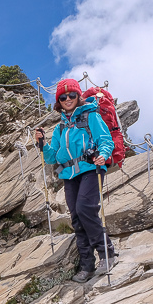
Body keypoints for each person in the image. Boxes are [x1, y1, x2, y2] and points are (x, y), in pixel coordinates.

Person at [35, 78, 118, 283]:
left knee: (85, 209)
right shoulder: (60, 128)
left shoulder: (91, 116)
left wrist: (104, 154)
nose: (68, 99)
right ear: (59, 102)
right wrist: (43, 143)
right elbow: (52, 157)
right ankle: (87, 265)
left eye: (72, 95)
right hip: (69, 175)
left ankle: (107, 254)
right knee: (76, 218)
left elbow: (105, 139)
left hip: (91, 168)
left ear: (78, 96)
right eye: (63, 97)